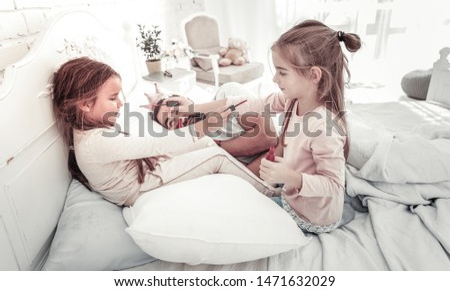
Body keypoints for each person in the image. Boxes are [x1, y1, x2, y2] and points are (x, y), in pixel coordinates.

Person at [172, 20, 361, 233]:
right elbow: (244, 104)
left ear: (313, 75)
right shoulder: (293, 100)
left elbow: (334, 186)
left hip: (308, 214)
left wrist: (290, 177)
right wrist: (192, 107)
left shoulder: (325, 126)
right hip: (292, 192)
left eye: (282, 72)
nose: (274, 78)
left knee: (226, 214)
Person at [51, 57, 278, 207]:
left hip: (146, 172)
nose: (120, 104)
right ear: (85, 104)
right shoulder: (93, 143)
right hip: (139, 188)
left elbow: (149, 145)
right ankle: (270, 197)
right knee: (215, 155)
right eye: (112, 98)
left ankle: (249, 180)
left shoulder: (93, 130)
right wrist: (204, 126)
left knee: (208, 145)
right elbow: (154, 144)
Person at [143, 82, 278, 176]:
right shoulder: (200, 154)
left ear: (186, 98)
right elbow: (249, 177)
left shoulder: (226, 94)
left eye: (175, 105)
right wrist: (210, 145)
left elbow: (268, 136)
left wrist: (195, 109)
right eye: (170, 122)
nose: (179, 115)